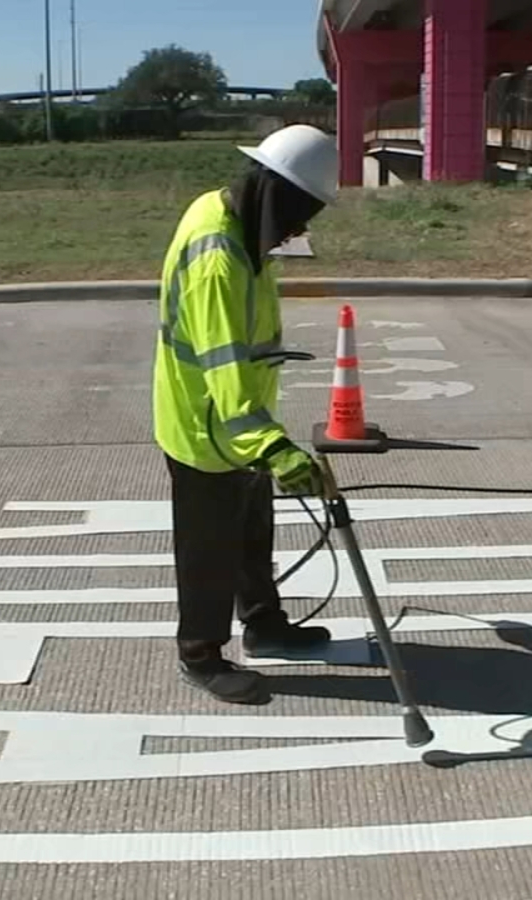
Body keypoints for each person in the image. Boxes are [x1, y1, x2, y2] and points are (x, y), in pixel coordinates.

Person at [152, 124, 341, 704]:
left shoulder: (234, 217)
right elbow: (223, 369)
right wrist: (275, 448)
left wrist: (264, 441)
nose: (299, 229)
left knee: (252, 531)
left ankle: (263, 623)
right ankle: (200, 655)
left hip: (243, 425)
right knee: (208, 547)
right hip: (207, 428)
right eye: (299, 214)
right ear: (275, 196)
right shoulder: (219, 259)